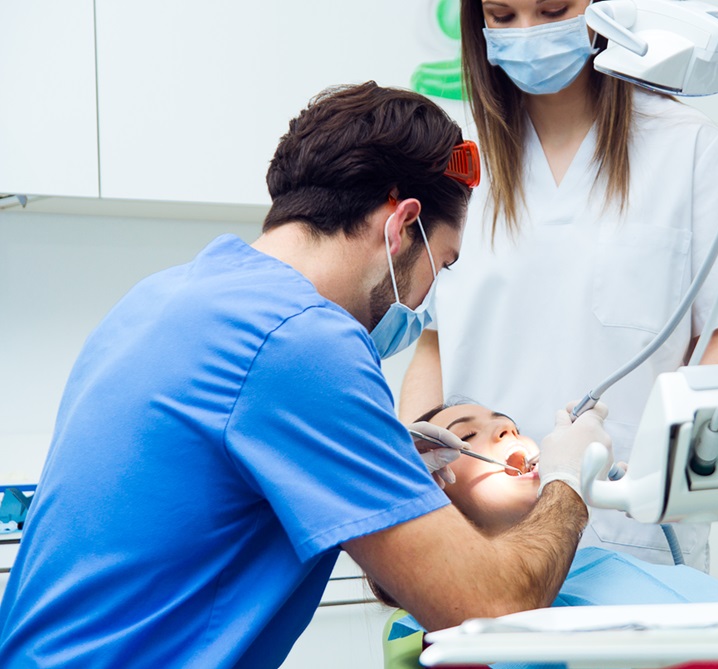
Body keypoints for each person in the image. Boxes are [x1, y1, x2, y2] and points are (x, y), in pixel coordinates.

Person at [0, 82, 613, 668]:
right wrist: (568, 478)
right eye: (443, 264)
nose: (429, 297)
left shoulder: (161, 298)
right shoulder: (302, 341)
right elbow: (489, 609)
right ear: (401, 227)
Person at [399, 0, 718, 571]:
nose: (529, 34)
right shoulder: (459, 162)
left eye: (553, 10)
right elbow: (433, 340)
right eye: (501, 16)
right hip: (483, 539)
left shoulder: (687, 148)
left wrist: (656, 471)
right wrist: (416, 504)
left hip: (634, 524)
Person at [379, 401, 718, 669]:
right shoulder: (453, 631)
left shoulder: (607, 571)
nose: (507, 433)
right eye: (465, 437)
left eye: (509, 425)